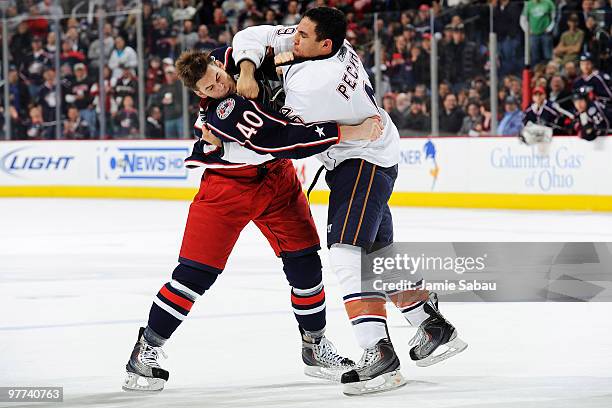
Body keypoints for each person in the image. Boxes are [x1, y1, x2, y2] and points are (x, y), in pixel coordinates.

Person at [231, 7, 466, 395]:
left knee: (346, 252)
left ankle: (378, 354)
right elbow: (252, 37)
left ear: (324, 44)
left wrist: (252, 91)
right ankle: (433, 327)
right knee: (377, 258)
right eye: (297, 32)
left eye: (303, 37)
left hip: (363, 160)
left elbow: (283, 142)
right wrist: (245, 68)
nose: (294, 39)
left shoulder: (316, 84)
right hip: (371, 154)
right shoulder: (327, 47)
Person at [121, 44, 381, 392]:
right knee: (194, 276)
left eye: (217, 76)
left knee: (306, 265)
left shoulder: (229, 60)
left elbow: (248, 43)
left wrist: (244, 69)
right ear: (199, 95)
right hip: (227, 191)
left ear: (217, 63)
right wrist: (349, 132)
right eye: (208, 88)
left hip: (277, 180)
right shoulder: (224, 111)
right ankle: (146, 349)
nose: (218, 86)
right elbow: (283, 138)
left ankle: (315, 346)